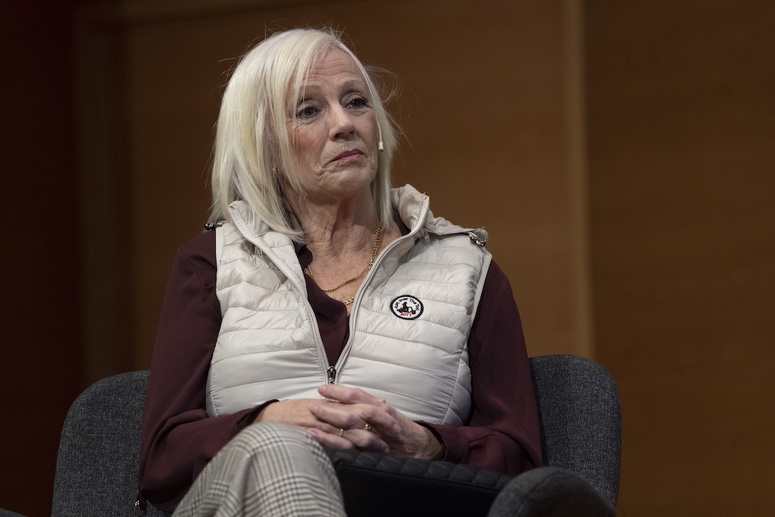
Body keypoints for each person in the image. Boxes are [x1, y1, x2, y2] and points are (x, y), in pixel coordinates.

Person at [136, 28, 542, 516]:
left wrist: (427, 444)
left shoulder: (467, 270)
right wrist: (266, 422)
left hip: (404, 502)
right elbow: (162, 458)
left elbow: (522, 463)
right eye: (309, 110)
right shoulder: (212, 264)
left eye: (356, 102)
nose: (344, 124)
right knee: (277, 449)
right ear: (264, 146)